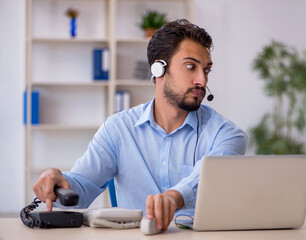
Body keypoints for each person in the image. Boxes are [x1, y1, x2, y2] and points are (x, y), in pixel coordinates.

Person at [32, 19, 248, 232]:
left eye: (206, 70)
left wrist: (174, 197)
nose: (202, 80)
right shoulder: (117, 129)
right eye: (190, 66)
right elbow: (81, 188)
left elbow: (205, 178)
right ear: (158, 69)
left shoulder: (227, 135)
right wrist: (58, 182)